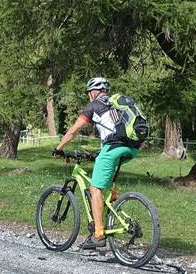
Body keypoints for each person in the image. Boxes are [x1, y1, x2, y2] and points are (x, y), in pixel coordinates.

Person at [53, 77, 140, 251]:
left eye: (88, 93)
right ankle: (105, 223)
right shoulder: (115, 105)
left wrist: (58, 148)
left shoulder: (94, 106)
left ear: (93, 92)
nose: (88, 97)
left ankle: (98, 235)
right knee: (103, 189)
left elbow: (73, 130)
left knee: (95, 189)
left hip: (113, 148)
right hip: (133, 148)